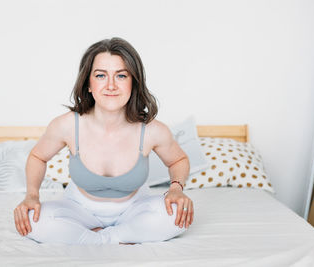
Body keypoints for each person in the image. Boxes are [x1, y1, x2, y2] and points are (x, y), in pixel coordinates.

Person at [13, 37, 194, 245]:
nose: (110, 85)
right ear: (88, 84)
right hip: (79, 209)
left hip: (135, 208)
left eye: (121, 76)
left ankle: (96, 238)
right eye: (100, 75)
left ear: (133, 83)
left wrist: (176, 189)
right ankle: (122, 237)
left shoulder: (152, 129)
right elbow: (37, 156)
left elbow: (178, 160)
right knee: (29, 220)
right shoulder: (67, 125)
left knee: (179, 216)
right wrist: (32, 195)